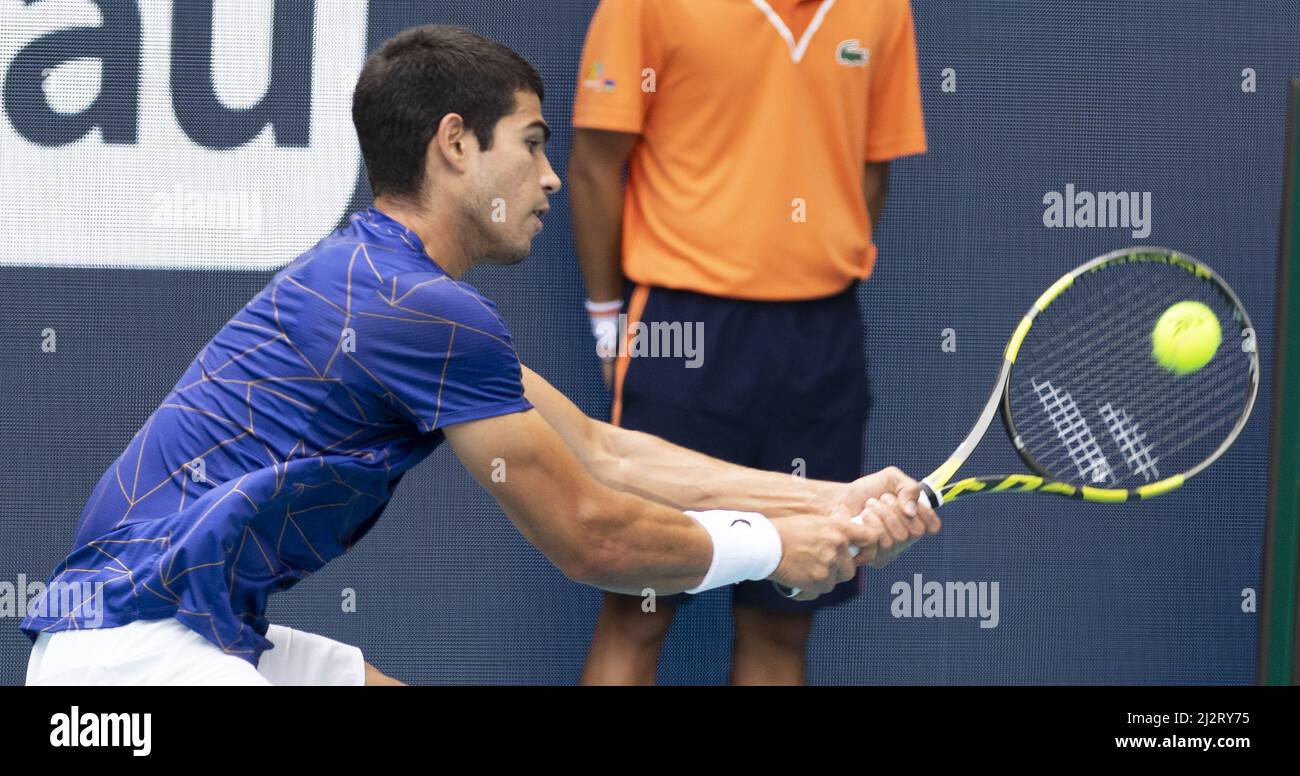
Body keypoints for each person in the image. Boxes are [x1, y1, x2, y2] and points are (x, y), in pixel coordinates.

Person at [19, 24, 937, 686]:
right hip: (128, 658)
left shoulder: (386, 285)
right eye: (532, 145)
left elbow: (603, 450)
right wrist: (775, 544)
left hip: (188, 636)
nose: (548, 176)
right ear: (455, 144)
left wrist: (829, 498)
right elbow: (593, 533)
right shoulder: (412, 305)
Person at [569, 0, 929, 684]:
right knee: (638, 609)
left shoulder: (883, 9)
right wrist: (608, 320)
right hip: (683, 331)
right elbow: (594, 161)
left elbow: (870, 170)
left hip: (822, 342)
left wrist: (804, 259)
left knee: (783, 619)